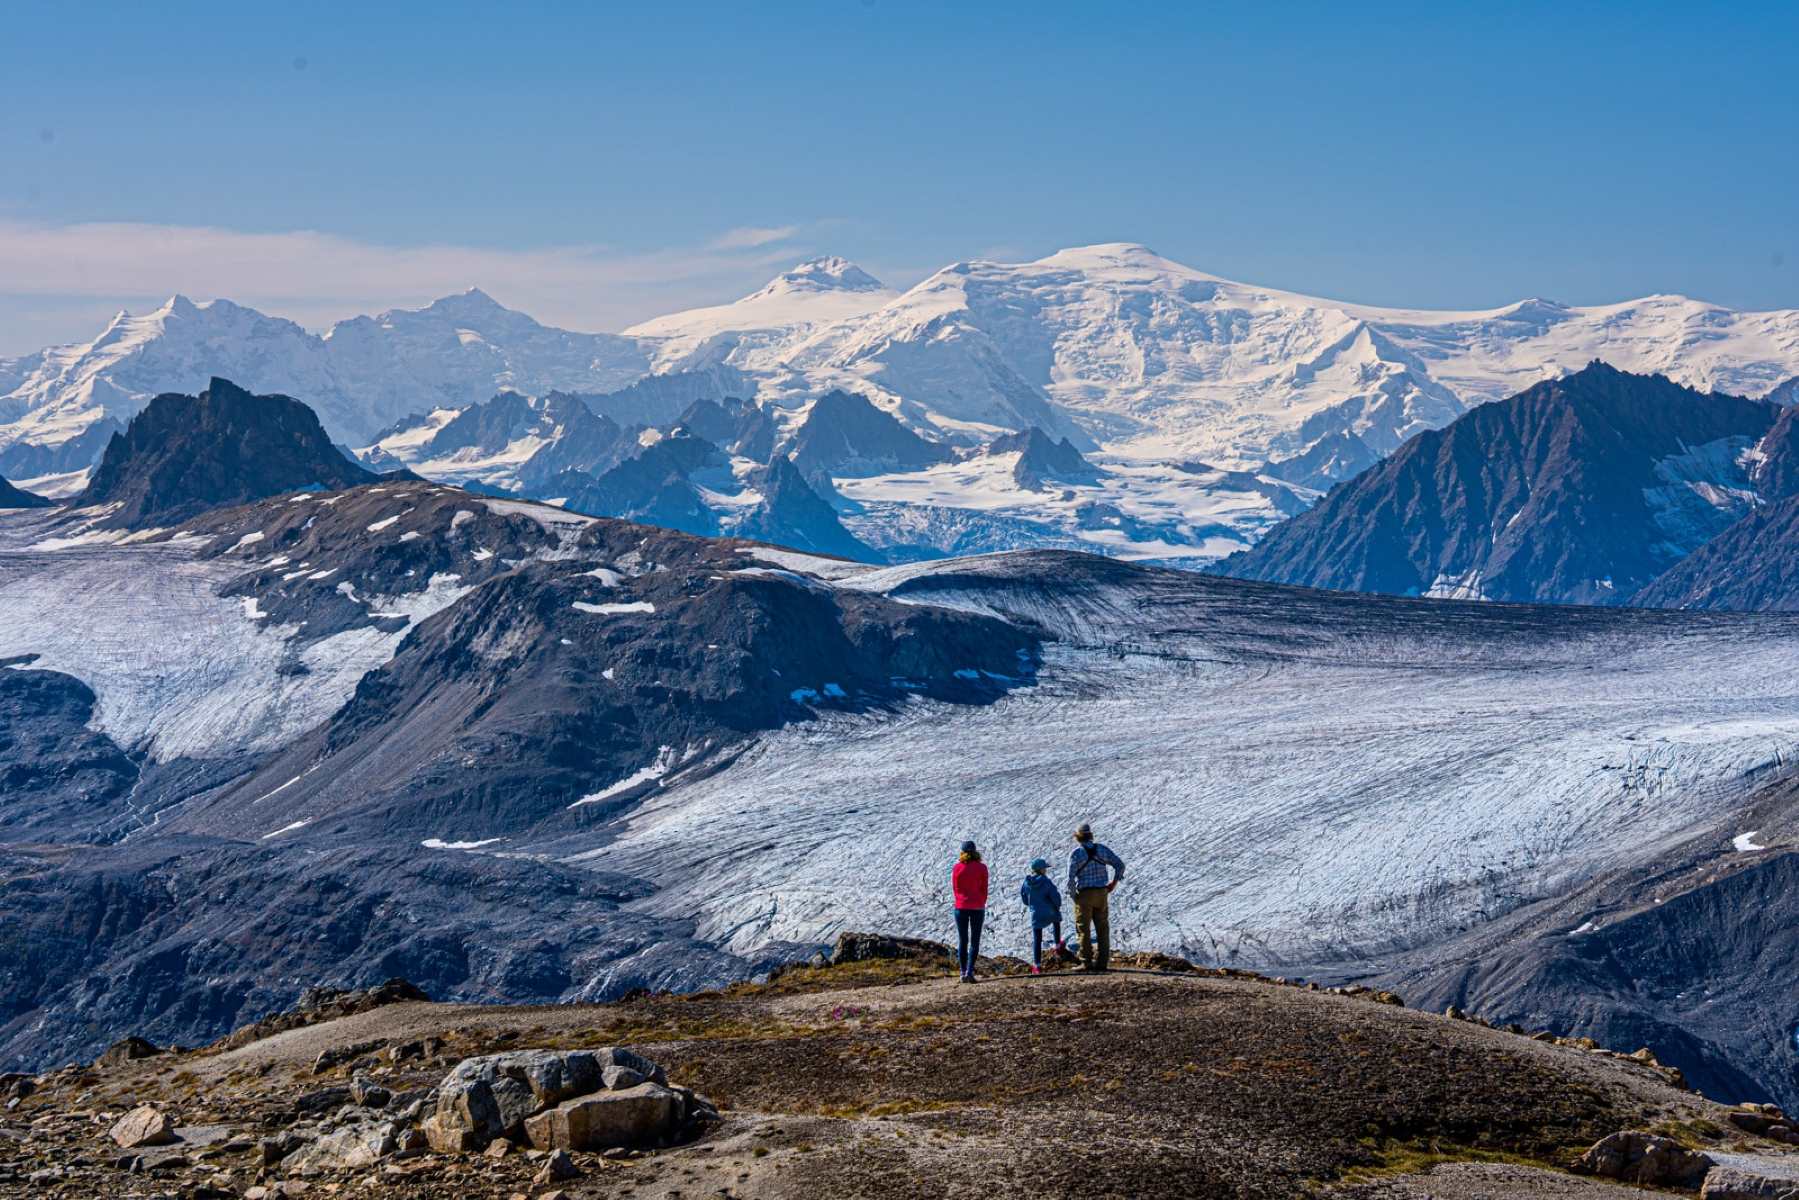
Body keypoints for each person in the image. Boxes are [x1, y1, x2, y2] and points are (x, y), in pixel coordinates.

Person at [1066, 823, 1124, 972]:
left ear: (1078, 837)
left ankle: (1086, 962)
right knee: (1103, 928)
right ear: (1090, 835)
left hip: (1085, 894)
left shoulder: (1077, 853)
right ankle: (1102, 963)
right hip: (1102, 893)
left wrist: (1074, 896)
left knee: (1083, 929)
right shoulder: (1102, 849)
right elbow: (1119, 865)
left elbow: (1071, 878)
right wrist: (1114, 883)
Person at [951, 840, 989, 983]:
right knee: (974, 941)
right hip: (977, 907)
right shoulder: (982, 868)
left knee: (963, 941)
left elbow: (955, 888)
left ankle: (962, 972)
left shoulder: (957, 868)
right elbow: (984, 888)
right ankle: (970, 971)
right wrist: (981, 901)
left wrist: (960, 900)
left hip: (960, 907)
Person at [1019, 858, 1064, 973]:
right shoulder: (1046, 881)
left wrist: (1032, 905)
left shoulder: (1026, 883)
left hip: (1036, 914)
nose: (1046, 870)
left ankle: (1037, 965)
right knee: (1056, 920)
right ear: (1041, 870)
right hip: (1050, 911)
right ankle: (1058, 945)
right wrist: (1057, 905)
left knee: (1037, 939)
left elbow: (1024, 898)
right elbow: (1055, 896)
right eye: (1045, 868)